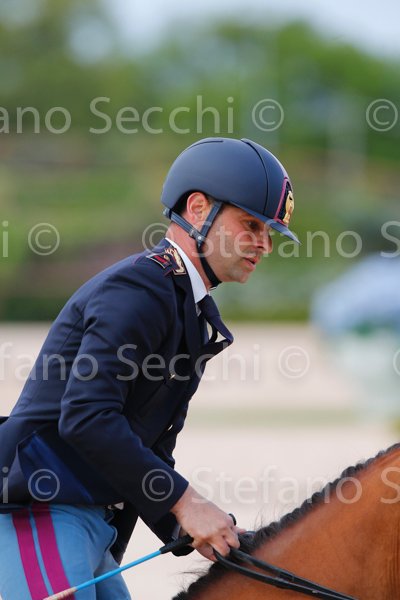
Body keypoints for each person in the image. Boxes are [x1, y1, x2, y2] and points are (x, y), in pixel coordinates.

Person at [0, 137, 298, 599]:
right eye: (251, 225)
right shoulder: (139, 289)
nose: (264, 244)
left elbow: (149, 446)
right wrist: (185, 503)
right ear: (197, 209)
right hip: (41, 509)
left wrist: (191, 525)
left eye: (269, 232)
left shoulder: (185, 305)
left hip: (91, 521)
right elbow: (87, 416)